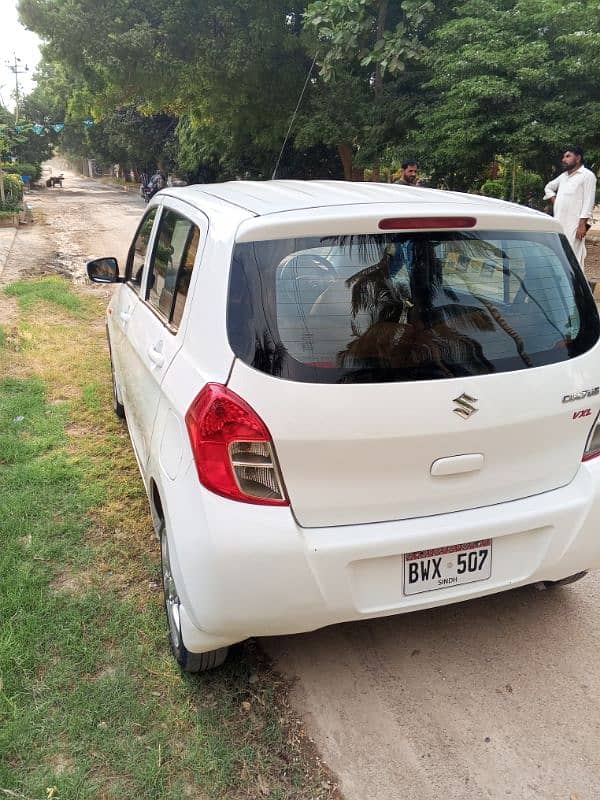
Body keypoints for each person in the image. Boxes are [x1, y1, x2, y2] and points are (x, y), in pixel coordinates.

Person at [543, 146, 597, 270]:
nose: (564, 159)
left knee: (574, 255)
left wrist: (582, 224)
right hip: (559, 224)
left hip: (575, 225)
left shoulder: (587, 176)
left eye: (568, 156)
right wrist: (554, 200)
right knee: (559, 254)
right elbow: (548, 187)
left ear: (578, 158)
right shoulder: (564, 176)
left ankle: (576, 286)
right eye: (564, 156)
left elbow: (588, 201)